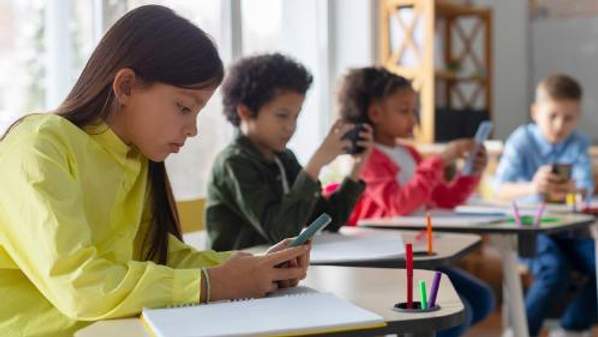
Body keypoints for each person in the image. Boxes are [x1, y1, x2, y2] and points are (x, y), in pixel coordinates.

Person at [0, 6, 309, 337]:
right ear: (126, 86)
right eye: (184, 107)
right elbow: (81, 286)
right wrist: (210, 284)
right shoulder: (38, 147)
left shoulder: (134, 157)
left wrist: (252, 267)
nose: (192, 130)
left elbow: (162, 257)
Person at [336, 66, 495, 337]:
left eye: (414, 109)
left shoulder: (409, 152)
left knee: (481, 299)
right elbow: (398, 204)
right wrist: (439, 160)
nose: (414, 118)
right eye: (404, 110)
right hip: (387, 259)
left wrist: (471, 172)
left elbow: (443, 199)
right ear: (375, 113)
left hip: (418, 254)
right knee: (459, 314)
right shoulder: (368, 157)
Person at [206, 53, 373, 251]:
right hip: (237, 274)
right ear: (245, 111)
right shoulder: (233, 163)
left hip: (271, 270)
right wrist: (315, 164)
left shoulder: (284, 158)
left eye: (296, 116)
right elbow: (280, 232)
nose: (290, 127)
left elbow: (331, 219)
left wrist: (357, 166)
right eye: (282, 115)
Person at [495, 74, 596, 337]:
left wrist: (575, 189)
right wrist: (533, 187)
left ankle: (573, 327)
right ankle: (520, 331)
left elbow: (585, 189)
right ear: (535, 112)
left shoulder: (578, 143)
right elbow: (500, 189)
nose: (560, 124)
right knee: (554, 269)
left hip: (572, 231)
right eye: (553, 115)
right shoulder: (521, 141)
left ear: (578, 115)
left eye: (569, 117)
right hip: (533, 231)